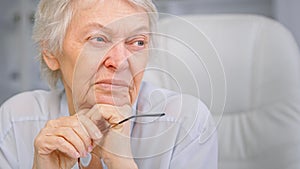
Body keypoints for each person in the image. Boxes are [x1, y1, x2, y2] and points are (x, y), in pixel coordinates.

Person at [0, 0, 218, 168]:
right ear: (50, 52)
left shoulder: (186, 123)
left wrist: (122, 163)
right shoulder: (16, 120)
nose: (120, 62)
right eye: (98, 39)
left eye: (138, 42)